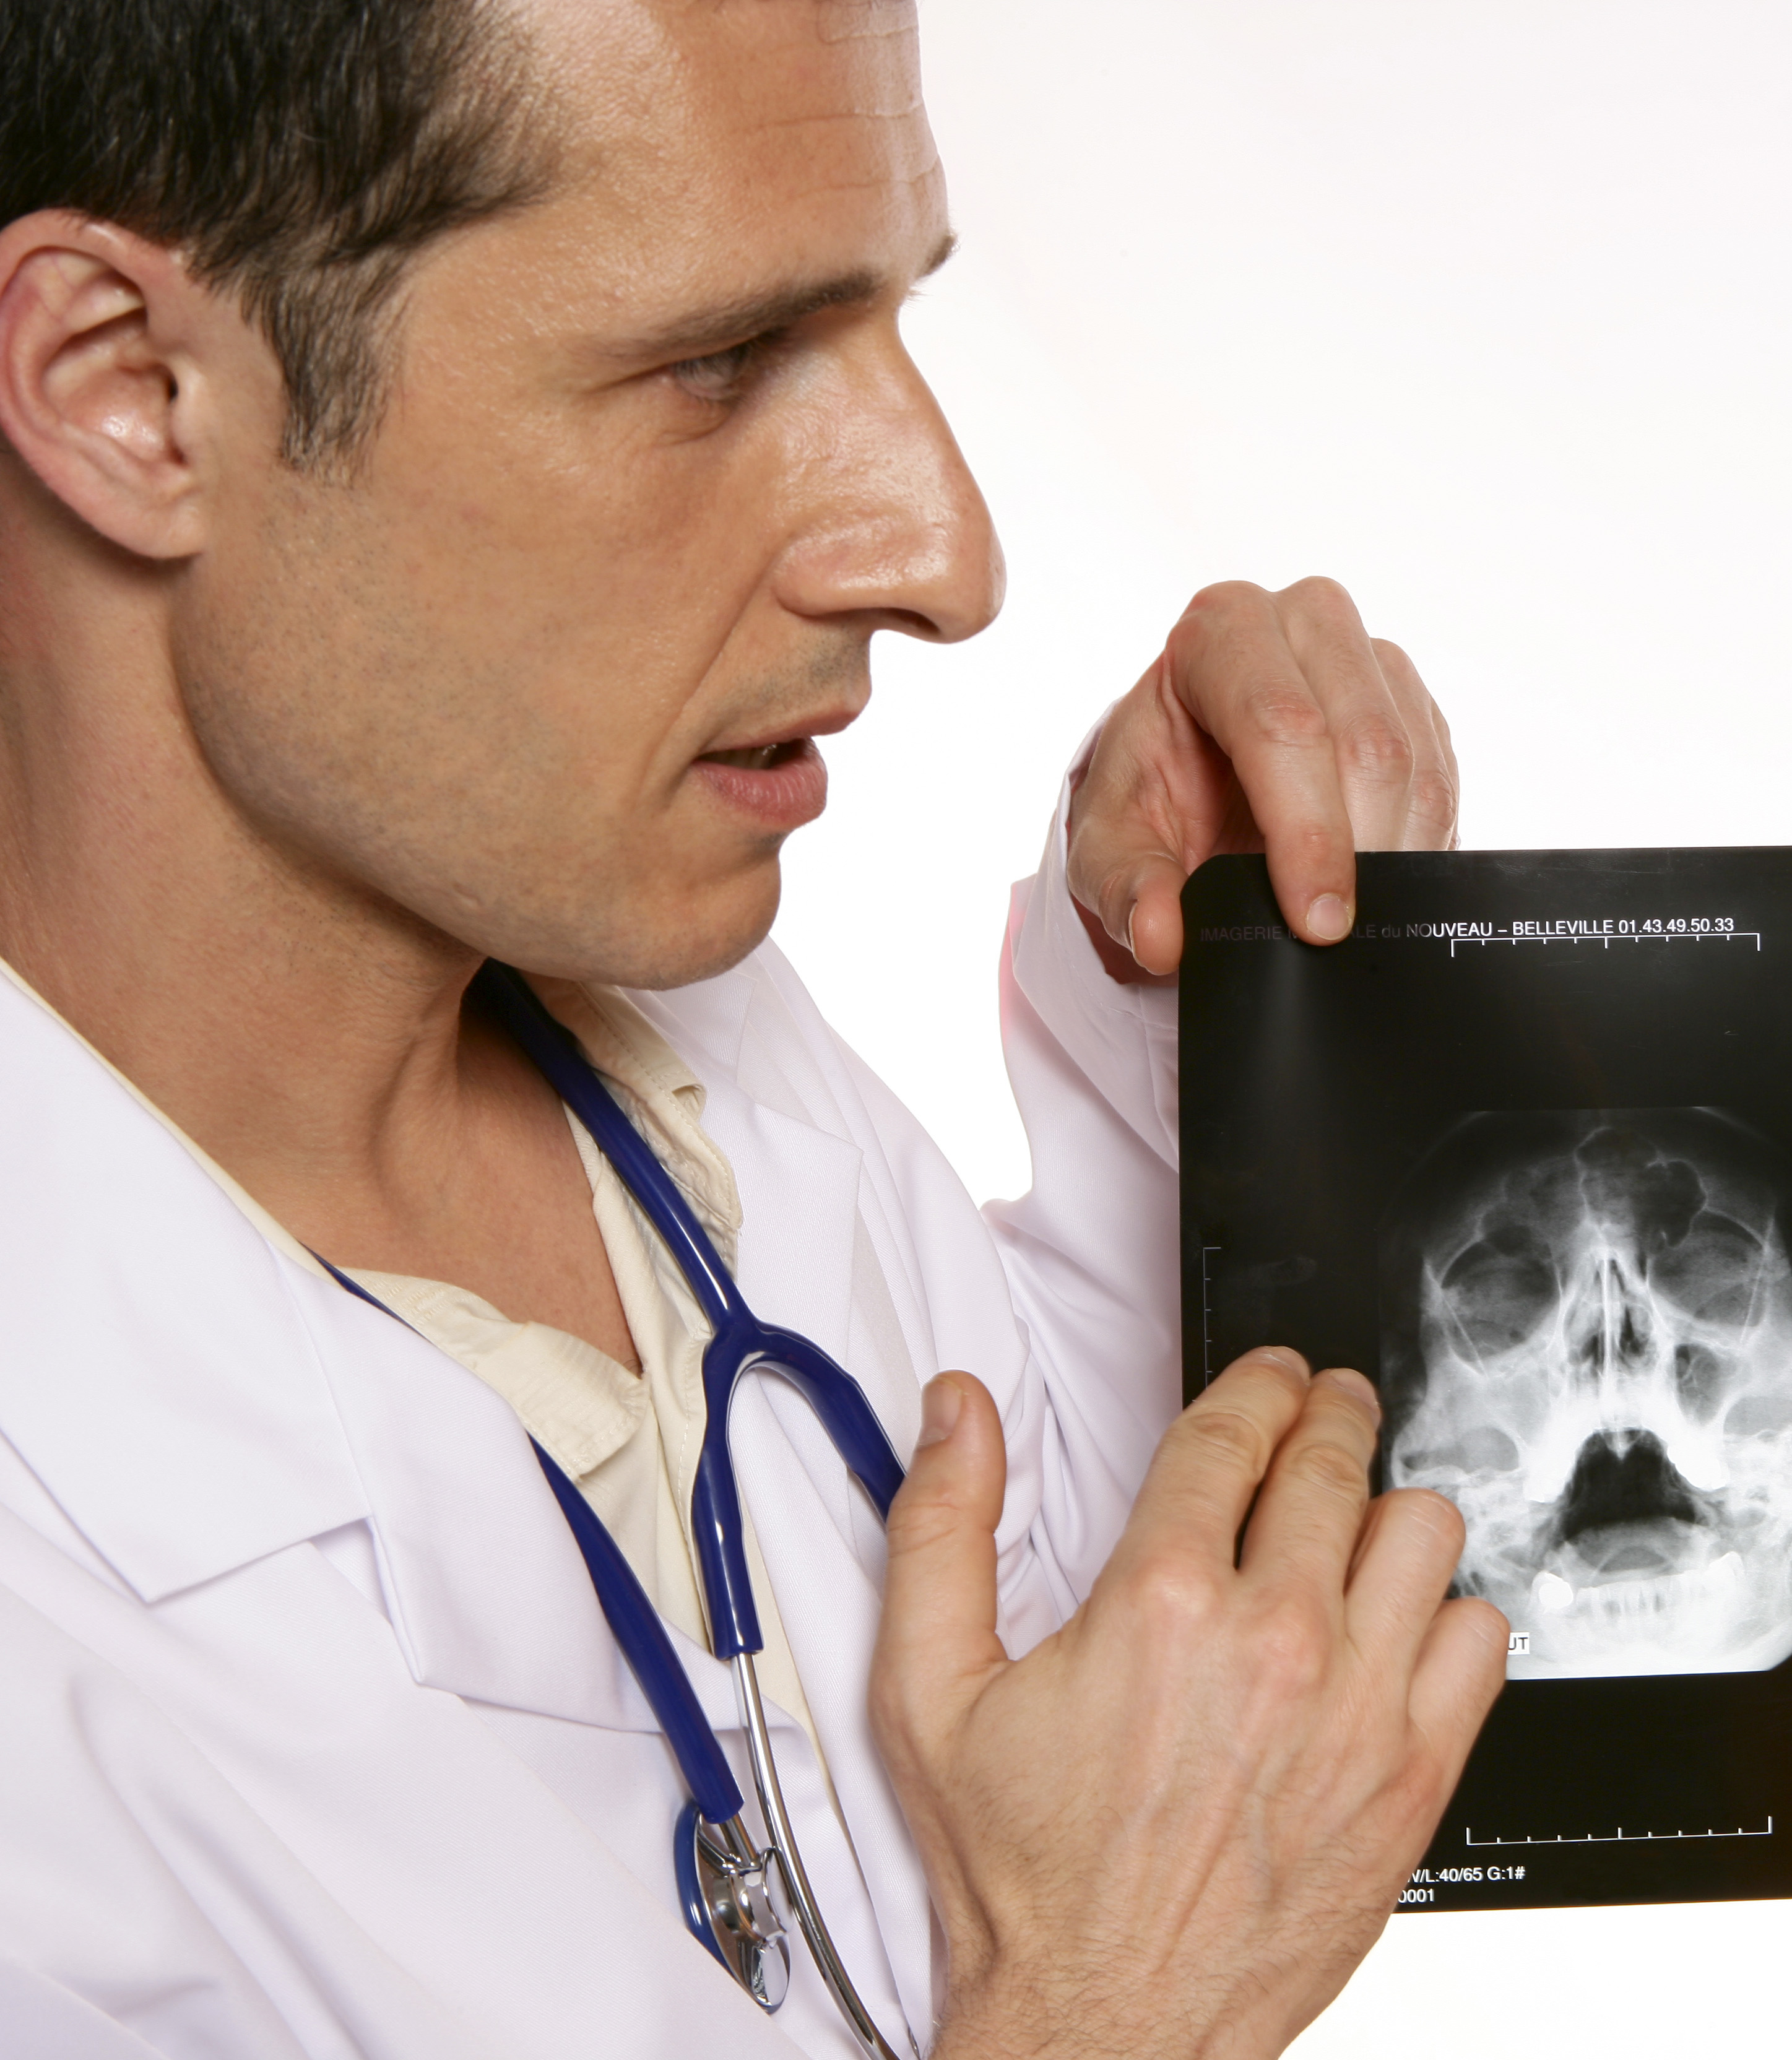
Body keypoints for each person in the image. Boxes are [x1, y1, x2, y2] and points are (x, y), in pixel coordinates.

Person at [0, 2, 1504, 2056]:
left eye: (892, 321)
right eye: (714, 362)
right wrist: (1093, 2024)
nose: (949, 557)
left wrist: (1205, 994)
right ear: (129, 392)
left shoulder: (684, 1041)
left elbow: (1055, 1612)